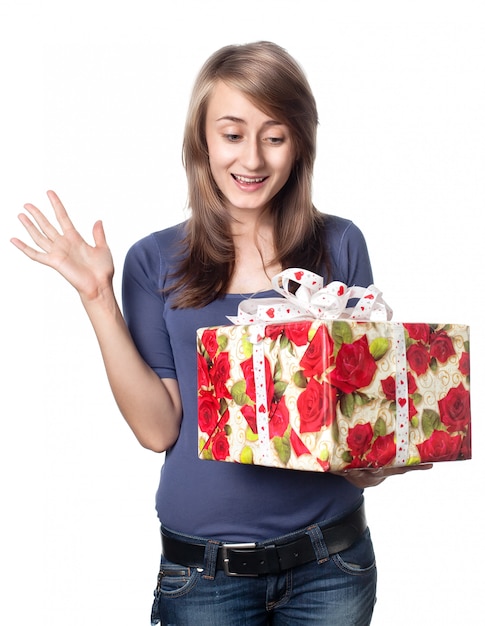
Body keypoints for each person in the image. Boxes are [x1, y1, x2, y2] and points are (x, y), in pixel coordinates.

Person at [11, 41, 430, 625]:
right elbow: (158, 431)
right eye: (232, 134)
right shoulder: (154, 260)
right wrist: (97, 298)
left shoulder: (341, 245)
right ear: (202, 142)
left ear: (301, 143)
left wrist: (373, 459)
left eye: (274, 135)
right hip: (205, 573)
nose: (252, 158)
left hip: (330, 564)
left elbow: (353, 410)